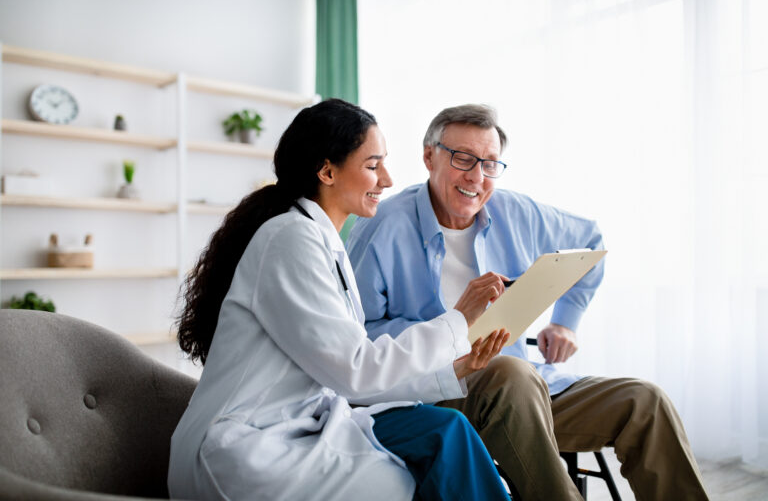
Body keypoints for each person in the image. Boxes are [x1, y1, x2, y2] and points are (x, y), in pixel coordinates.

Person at [346, 103, 710, 501]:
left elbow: (591, 241)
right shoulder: (381, 227)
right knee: (510, 372)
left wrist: (565, 321)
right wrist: (452, 327)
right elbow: (358, 337)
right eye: (463, 158)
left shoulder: (517, 212)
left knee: (645, 402)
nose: (476, 177)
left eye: (489, 164)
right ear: (429, 156)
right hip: (438, 391)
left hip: (529, 391)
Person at [167, 99, 511, 501]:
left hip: (301, 424)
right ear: (327, 170)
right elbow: (355, 371)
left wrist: (452, 370)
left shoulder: (320, 242)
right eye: (372, 165)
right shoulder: (290, 239)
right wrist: (457, 320)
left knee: (446, 432)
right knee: (421, 467)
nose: (387, 179)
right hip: (242, 446)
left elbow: (346, 375)